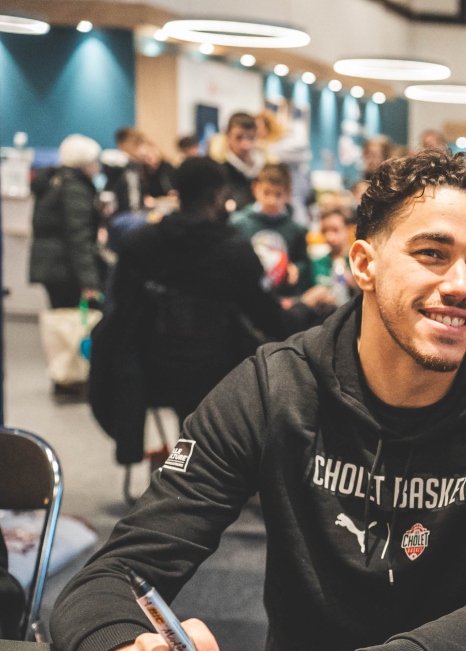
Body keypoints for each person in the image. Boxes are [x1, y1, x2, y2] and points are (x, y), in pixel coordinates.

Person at [52, 148, 466, 651]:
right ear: (364, 263)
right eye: (432, 254)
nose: (460, 285)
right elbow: (117, 574)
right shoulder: (273, 386)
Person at [89, 157, 289, 465]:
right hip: (217, 378)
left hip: (147, 376)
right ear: (217, 197)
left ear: (176, 193)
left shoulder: (137, 245)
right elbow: (271, 319)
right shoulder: (234, 252)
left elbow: (117, 314)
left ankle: (177, 460)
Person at [29, 134, 102, 311]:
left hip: (52, 267)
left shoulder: (55, 181)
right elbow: (78, 236)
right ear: (85, 163)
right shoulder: (75, 188)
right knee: (74, 329)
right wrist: (89, 281)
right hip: (66, 270)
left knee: (62, 321)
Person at [230, 163, 312, 298]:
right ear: (255, 189)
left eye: (278, 194)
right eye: (266, 192)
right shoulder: (239, 223)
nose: (272, 201)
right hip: (248, 295)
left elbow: (303, 262)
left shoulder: (296, 229)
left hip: (281, 297)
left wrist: (297, 269)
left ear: (287, 194)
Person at [217, 113, 263, 213]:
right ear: (227, 136)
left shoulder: (264, 170)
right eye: (239, 137)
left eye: (251, 138)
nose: (245, 145)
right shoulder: (218, 171)